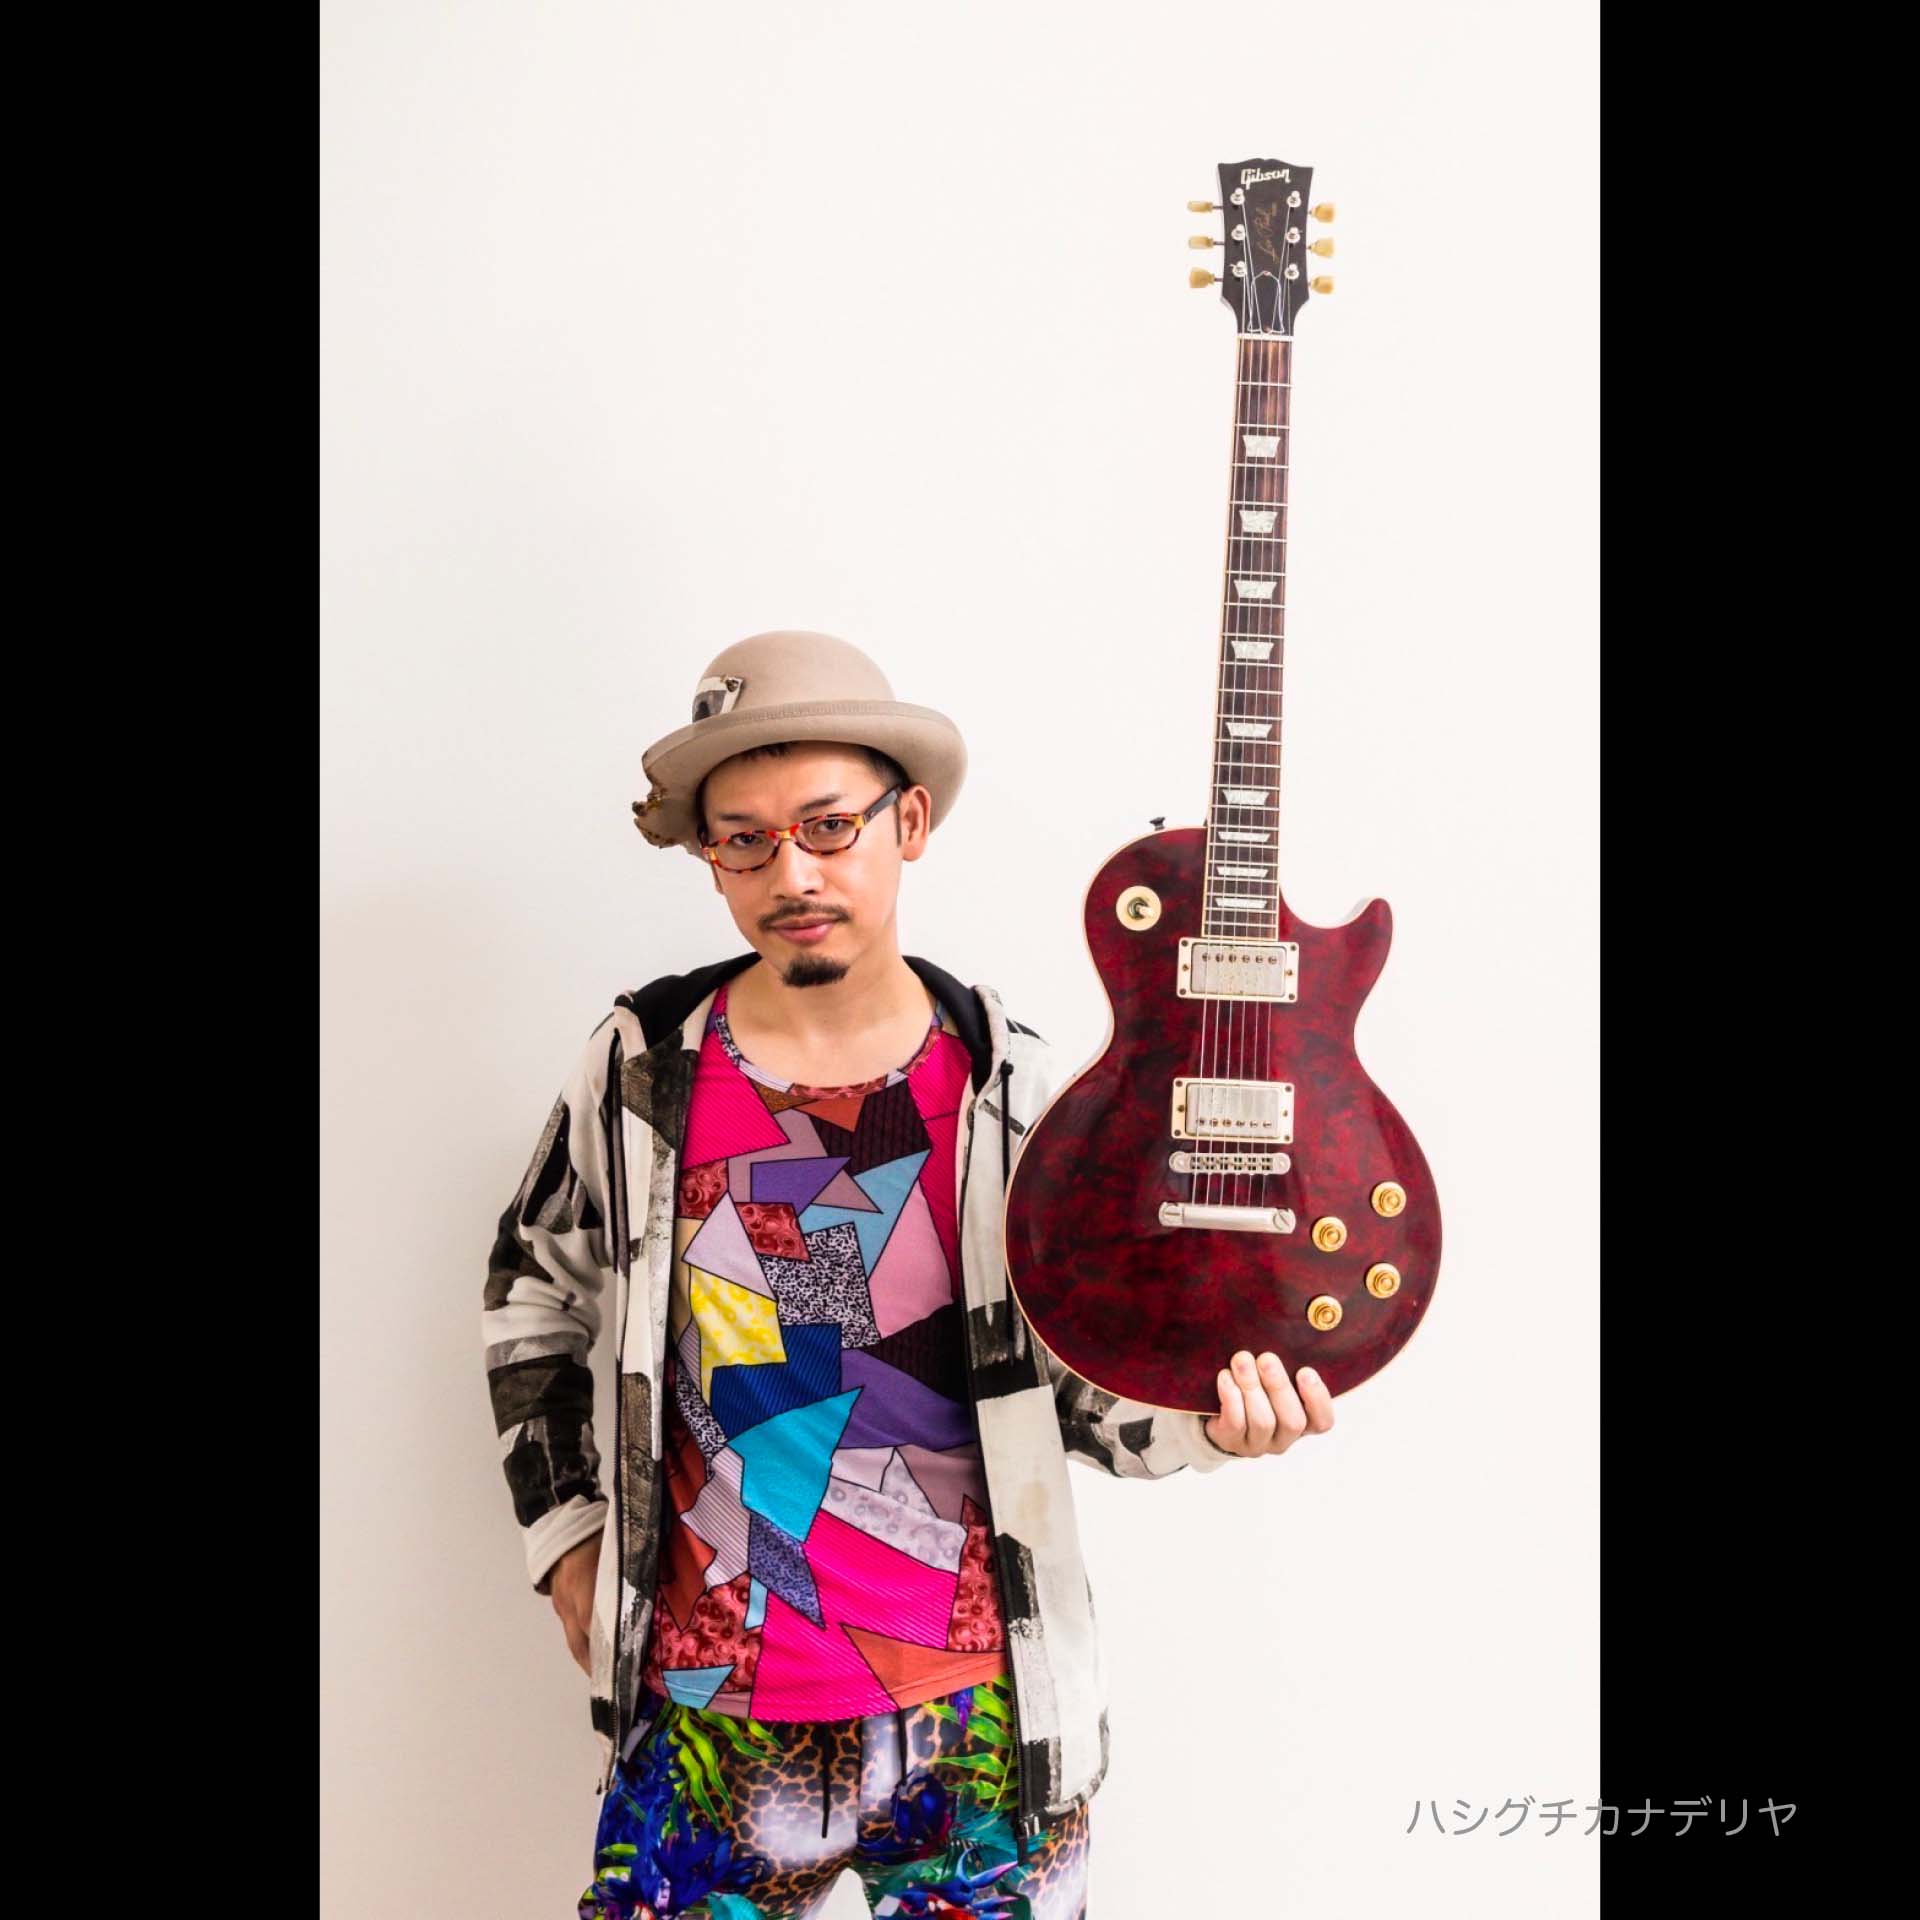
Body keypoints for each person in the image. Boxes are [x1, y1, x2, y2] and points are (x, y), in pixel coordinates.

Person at [483, 629, 1335, 1918]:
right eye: (745, 841)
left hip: (984, 1722)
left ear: (911, 822)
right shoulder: (642, 1067)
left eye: (830, 826)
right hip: (708, 1710)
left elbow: (1085, 1392)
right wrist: (568, 1544)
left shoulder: (1018, 1090)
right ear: (710, 857)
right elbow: (532, 1286)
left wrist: (1210, 1427)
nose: (793, 873)